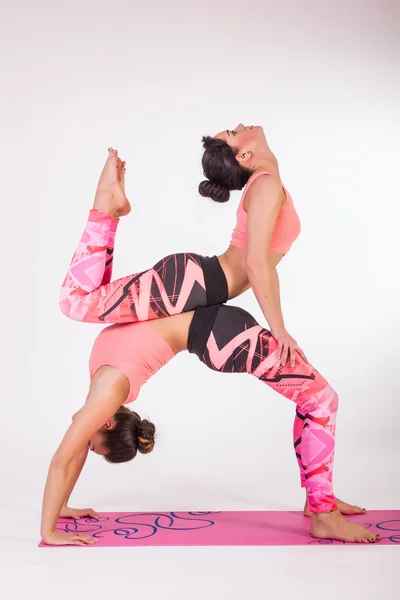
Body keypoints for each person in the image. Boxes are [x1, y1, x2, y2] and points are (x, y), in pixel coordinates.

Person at [41, 304, 378, 547]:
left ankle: (322, 510)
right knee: (318, 400)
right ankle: (321, 505)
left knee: (318, 401)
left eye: (90, 443)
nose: (82, 439)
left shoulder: (106, 393)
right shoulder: (102, 390)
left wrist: (49, 531)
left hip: (222, 334)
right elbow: (72, 455)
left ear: (107, 421)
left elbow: (62, 458)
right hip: (220, 332)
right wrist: (62, 506)